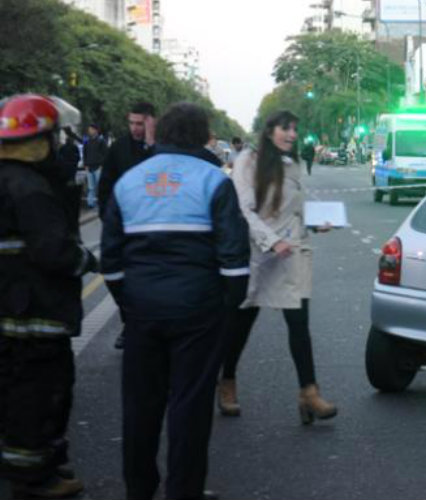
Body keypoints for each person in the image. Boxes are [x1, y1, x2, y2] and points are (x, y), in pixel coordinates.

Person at [100, 102, 249, 500]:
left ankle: (140, 489)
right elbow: (235, 260)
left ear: (160, 134)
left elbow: (110, 260)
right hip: (198, 310)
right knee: (190, 406)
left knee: (140, 407)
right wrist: (224, 307)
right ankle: (184, 490)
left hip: (142, 311)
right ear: (203, 137)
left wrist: (128, 304)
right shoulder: (215, 181)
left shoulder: (129, 181)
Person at [0, 94, 97, 498]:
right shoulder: (32, 188)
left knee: (16, 392)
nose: (60, 146)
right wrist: (86, 260)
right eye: (55, 138)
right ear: (39, 140)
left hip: (11, 311)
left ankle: (40, 464)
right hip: (34, 314)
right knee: (41, 394)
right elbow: (54, 251)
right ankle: (35, 479)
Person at [221, 110, 337, 423]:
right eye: (286, 129)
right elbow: (245, 210)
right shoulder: (248, 161)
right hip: (260, 256)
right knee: (241, 326)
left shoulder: (291, 163)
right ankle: (227, 381)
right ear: (270, 130)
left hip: (293, 253)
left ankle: (308, 393)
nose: (291, 135)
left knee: (299, 325)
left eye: (295, 129)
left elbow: (294, 212)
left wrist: (316, 223)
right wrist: (271, 241)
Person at [96, 102, 156, 350]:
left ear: (151, 122)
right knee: (118, 277)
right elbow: (106, 184)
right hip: (125, 226)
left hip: (154, 227)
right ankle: (128, 323)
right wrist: (106, 217)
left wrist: (152, 144)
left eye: (140, 124)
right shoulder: (119, 148)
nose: (135, 129)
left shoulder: (162, 148)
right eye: (131, 123)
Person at [82, 124, 107, 209]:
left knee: (99, 186)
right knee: (91, 187)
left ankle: (101, 203)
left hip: (98, 167)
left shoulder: (101, 141)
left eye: (91, 129)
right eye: (89, 129)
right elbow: (85, 154)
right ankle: (90, 203)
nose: (90, 131)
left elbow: (105, 154)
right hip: (89, 167)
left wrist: (102, 165)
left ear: (96, 130)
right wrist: (85, 165)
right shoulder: (87, 142)